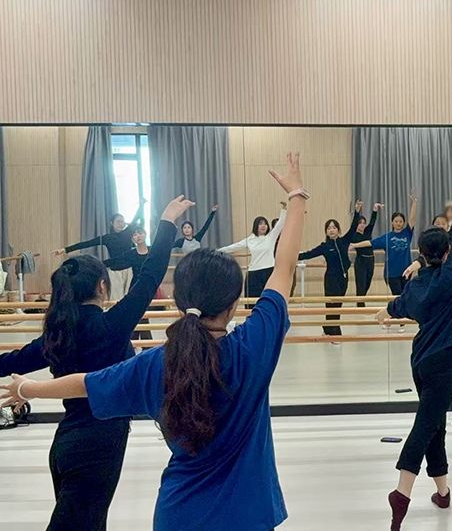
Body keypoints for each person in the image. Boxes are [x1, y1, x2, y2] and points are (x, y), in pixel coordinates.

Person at [2, 153, 307, 531]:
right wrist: (296, 196)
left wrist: (28, 387)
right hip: (248, 514)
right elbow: (284, 268)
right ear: (233, 305)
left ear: (179, 301)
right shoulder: (252, 347)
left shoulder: (156, 363)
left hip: (177, 514)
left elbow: (85, 383)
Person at [0, 195, 191, 530]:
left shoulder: (57, 335)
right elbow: (150, 276)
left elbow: (8, 362)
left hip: (67, 444)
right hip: (97, 447)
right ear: (102, 286)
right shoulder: (110, 326)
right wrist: (166, 222)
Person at [374, 170, 452, 531]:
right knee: (425, 425)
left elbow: (395, 307)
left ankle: (443, 491)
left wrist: (383, 312)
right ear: (448, 252)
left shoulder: (415, 286)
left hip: (420, 360)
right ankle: (402, 492)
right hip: (444, 360)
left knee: (435, 423)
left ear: (421, 254)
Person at [55, 200, 147, 301]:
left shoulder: (128, 232)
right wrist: (65, 249)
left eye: (122, 221)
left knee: (130, 297)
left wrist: (141, 205)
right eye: (118, 221)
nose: (121, 224)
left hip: (129, 270)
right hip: (114, 270)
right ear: (112, 223)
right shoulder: (107, 238)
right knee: (115, 299)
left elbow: (137, 217)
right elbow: (87, 243)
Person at [298, 201, 363, 337]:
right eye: (328, 228)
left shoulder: (344, 241)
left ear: (338, 230)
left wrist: (357, 212)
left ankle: (328, 327)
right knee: (332, 305)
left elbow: (353, 228)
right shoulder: (325, 246)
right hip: (331, 279)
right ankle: (335, 331)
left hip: (343, 278)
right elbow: (308, 254)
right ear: (326, 232)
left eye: (334, 227)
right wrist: (291, 256)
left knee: (338, 305)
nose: (331, 230)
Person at [217, 202, 287, 308]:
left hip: (269, 271)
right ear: (256, 226)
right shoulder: (250, 240)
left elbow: (280, 224)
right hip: (253, 273)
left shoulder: (270, 237)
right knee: (252, 302)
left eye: (265, 223)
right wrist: (217, 251)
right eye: (260, 223)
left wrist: (284, 209)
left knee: (269, 300)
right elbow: (234, 247)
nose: (263, 226)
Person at [351, 194, 418, 296]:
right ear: (392, 222)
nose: (398, 223)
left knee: (406, 296)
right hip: (392, 274)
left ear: (404, 223)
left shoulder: (407, 233)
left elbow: (412, 219)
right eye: (396, 221)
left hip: (407, 271)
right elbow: (370, 243)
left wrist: (414, 203)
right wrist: (354, 245)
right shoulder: (387, 237)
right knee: (397, 297)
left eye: (401, 221)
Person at [351, 202, 382, 307]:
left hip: (370, 260)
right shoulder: (354, 235)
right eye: (360, 223)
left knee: (367, 282)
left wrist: (375, 209)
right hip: (361, 261)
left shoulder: (367, 232)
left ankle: (361, 300)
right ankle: (360, 304)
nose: (362, 225)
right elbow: (354, 222)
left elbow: (372, 222)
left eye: (364, 223)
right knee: (361, 283)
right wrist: (357, 211)